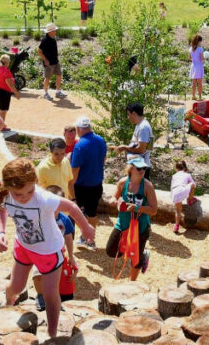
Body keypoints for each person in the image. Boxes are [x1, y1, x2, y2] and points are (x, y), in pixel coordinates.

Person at [0, 158, 94, 341]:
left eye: (29, 191)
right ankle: (8, 302)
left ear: (36, 183)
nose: (24, 197)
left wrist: (86, 228)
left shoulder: (43, 198)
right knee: (17, 286)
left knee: (49, 294)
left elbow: (70, 206)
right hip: (23, 246)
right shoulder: (5, 194)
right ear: (8, 187)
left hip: (49, 252)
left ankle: (51, 333)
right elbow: (1, 210)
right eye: (18, 194)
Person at [105, 158, 157, 281]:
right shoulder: (123, 183)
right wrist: (113, 200)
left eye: (144, 168)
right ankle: (139, 253)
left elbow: (154, 210)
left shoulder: (148, 186)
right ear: (131, 168)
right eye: (139, 168)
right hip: (122, 223)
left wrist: (138, 208)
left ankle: (132, 283)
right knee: (111, 251)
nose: (142, 171)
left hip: (140, 226)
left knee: (135, 259)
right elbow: (114, 196)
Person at [34, 185, 78, 312]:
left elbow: (69, 238)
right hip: (41, 252)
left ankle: (56, 301)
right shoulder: (39, 217)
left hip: (58, 253)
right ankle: (40, 295)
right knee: (37, 275)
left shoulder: (64, 220)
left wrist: (71, 255)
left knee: (56, 279)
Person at [70, 116, 105, 247]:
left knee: (77, 212)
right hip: (97, 184)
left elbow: (74, 171)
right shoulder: (101, 140)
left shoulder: (80, 145)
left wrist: (71, 189)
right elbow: (103, 160)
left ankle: (84, 235)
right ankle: (91, 239)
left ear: (79, 129)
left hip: (82, 186)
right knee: (92, 212)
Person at [117, 103, 152, 176]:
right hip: (137, 166)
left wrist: (125, 147)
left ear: (133, 113)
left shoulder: (143, 127)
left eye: (128, 114)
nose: (128, 117)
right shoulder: (140, 125)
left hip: (140, 168)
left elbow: (141, 149)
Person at [38, 23, 66, 100]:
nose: (55, 31)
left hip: (55, 62)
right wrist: (45, 60)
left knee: (59, 75)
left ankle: (58, 91)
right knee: (47, 78)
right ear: (50, 31)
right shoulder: (44, 40)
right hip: (48, 63)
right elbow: (39, 51)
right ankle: (45, 93)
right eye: (54, 30)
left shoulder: (53, 39)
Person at [0, 54, 21, 123]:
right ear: (6, 63)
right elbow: (10, 84)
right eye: (9, 62)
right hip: (3, 91)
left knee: (2, 109)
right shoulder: (6, 71)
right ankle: (1, 125)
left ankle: (0, 124)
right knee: (3, 110)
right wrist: (16, 93)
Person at [170, 160, 197, 234]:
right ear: (185, 168)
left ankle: (176, 225)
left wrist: (172, 196)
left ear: (176, 168)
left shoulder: (174, 175)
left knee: (178, 210)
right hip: (182, 189)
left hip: (175, 192)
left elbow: (172, 186)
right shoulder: (187, 175)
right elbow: (194, 184)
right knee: (192, 184)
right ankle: (190, 199)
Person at [189, 34, 205, 100]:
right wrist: (205, 58)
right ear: (198, 41)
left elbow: (190, 58)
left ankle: (193, 95)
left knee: (194, 82)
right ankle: (200, 96)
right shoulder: (200, 49)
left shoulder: (190, 49)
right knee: (200, 83)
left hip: (193, 66)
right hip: (199, 66)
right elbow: (202, 59)